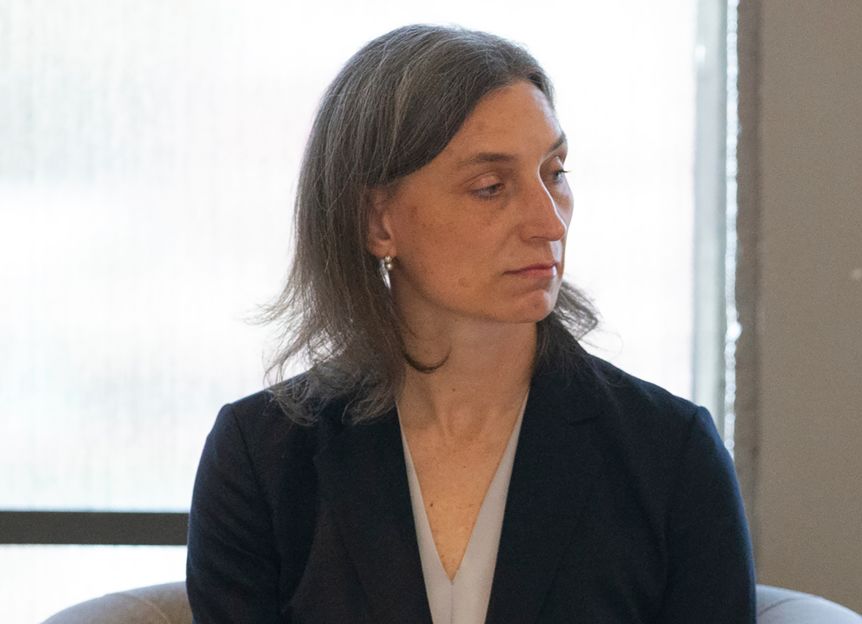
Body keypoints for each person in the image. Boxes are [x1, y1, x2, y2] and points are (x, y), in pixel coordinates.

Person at [186, 24, 756, 623]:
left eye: (555, 172)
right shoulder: (261, 458)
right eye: (490, 187)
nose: (549, 222)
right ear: (378, 222)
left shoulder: (669, 455)